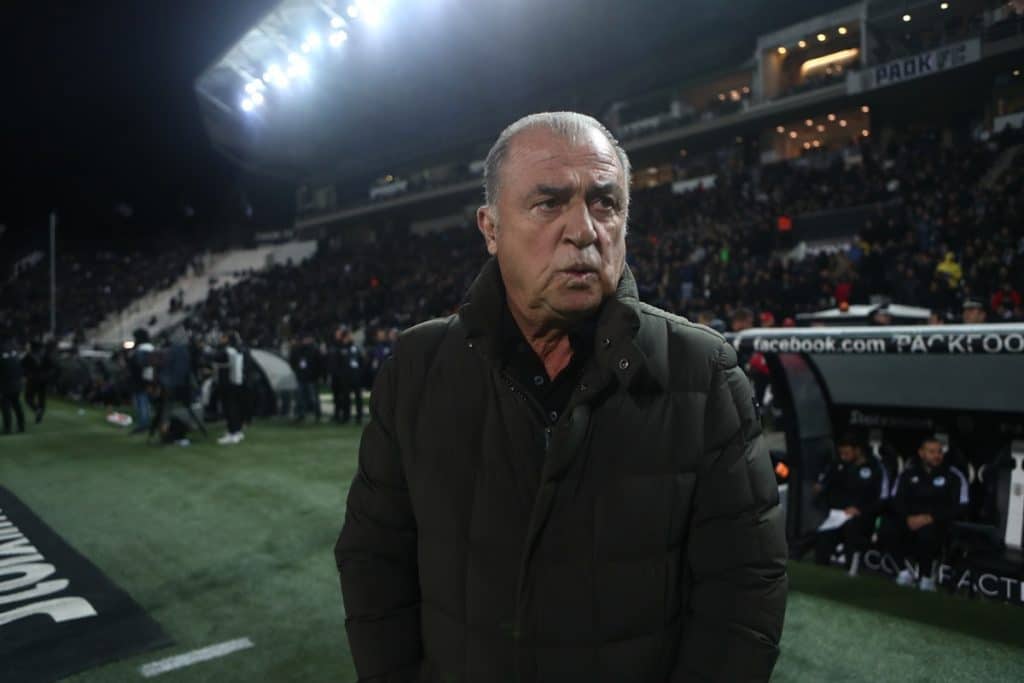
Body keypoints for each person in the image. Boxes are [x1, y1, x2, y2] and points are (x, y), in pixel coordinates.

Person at [335, 112, 787, 682]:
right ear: (490, 228)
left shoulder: (702, 370)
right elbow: (374, 560)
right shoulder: (417, 368)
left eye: (606, 203)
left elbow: (745, 587)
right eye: (549, 203)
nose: (585, 230)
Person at [879, 436, 969, 591]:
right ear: (921, 453)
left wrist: (931, 517)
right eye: (932, 452)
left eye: (939, 452)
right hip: (910, 520)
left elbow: (961, 506)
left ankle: (926, 577)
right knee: (886, 527)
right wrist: (908, 518)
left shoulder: (953, 475)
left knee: (927, 534)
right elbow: (896, 500)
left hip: (938, 522)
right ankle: (904, 572)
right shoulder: (908, 473)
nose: (937, 455)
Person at [812, 432, 889, 576]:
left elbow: (883, 499)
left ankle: (852, 568)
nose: (843, 456)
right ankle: (820, 571)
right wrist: (819, 488)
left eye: (847, 453)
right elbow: (824, 484)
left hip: (862, 516)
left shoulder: (876, 468)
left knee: (853, 529)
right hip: (837, 515)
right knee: (823, 536)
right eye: (841, 453)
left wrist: (861, 510)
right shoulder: (837, 465)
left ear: (857, 450)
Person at [213, 331, 246, 445]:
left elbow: (215, 357)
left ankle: (233, 433)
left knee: (229, 408)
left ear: (227, 339)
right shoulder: (237, 349)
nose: (220, 339)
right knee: (235, 407)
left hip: (228, 382)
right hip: (236, 382)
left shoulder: (227, 351)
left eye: (223, 337)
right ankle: (237, 431)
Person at [327, 327, 364, 424]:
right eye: (349, 336)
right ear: (345, 337)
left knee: (358, 397)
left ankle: (359, 416)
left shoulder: (354, 347)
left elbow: (361, 361)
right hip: (345, 378)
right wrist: (341, 376)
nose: (350, 337)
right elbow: (337, 364)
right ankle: (346, 416)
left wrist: (360, 373)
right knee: (346, 398)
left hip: (356, 376)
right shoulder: (339, 349)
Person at [290, 334, 323, 423]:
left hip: (312, 378)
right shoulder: (297, 350)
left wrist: (318, 375)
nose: (306, 341)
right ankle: (301, 414)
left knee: (313, 398)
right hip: (301, 377)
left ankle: (317, 414)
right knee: (300, 398)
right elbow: (292, 361)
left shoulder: (315, 350)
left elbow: (320, 364)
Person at [128, 329, 156, 434]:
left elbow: (139, 366)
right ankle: (145, 422)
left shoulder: (141, 350)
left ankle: (143, 424)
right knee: (145, 401)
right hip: (149, 378)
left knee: (141, 401)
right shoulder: (151, 348)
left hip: (140, 379)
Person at [21, 340, 55, 424]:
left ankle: (37, 410)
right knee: (41, 399)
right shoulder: (45, 356)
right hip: (43, 380)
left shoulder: (28, 356)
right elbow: (52, 368)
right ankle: (39, 413)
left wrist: (26, 375)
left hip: (33, 380)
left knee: (28, 398)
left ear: (32, 347)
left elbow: (22, 367)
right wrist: (48, 376)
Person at [1, 338, 26, 435]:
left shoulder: (3, 358)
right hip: (17, 385)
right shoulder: (15, 357)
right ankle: (21, 426)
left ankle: (7, 428)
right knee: (17, 405)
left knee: (6, 407)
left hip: (7, 386)